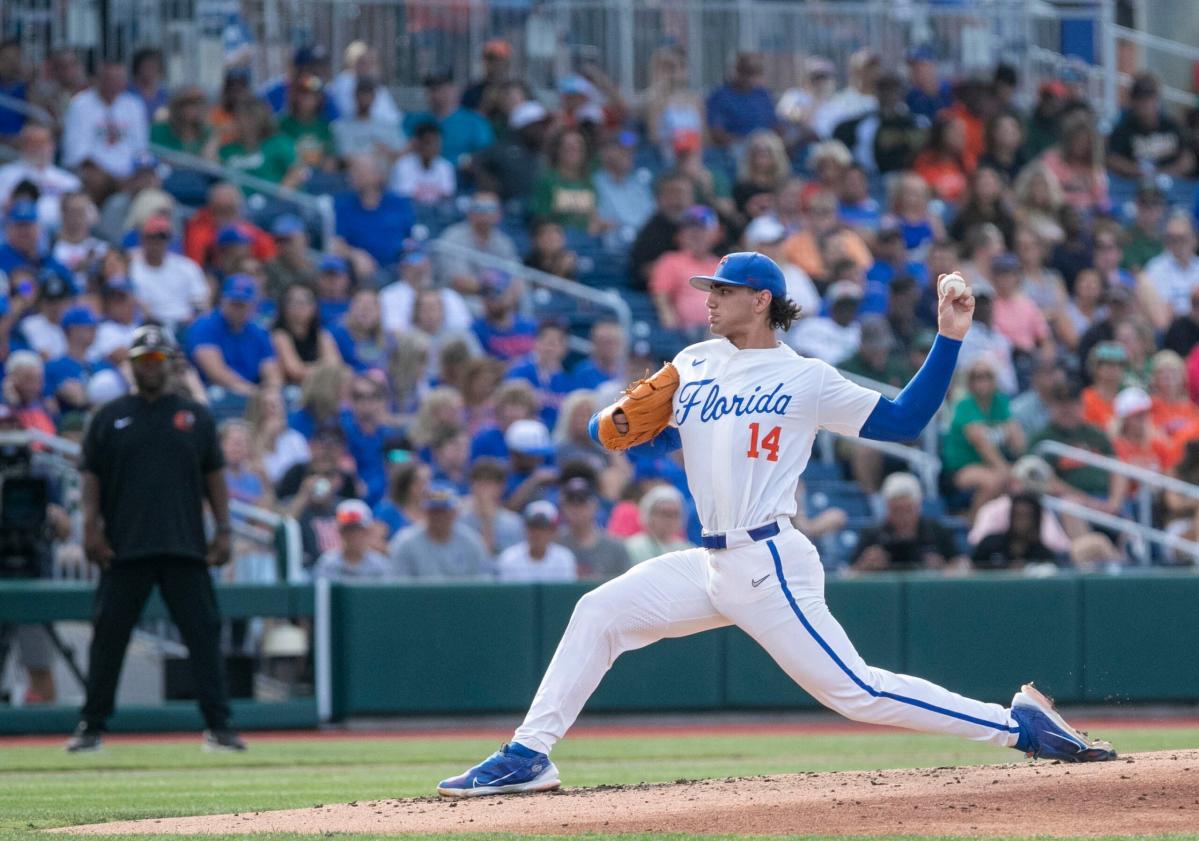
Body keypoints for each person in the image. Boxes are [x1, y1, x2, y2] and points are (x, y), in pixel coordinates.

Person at [438, 250, 1114, 797]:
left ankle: (1016, 725)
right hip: (707, 562)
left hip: (768, 561)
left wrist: (948, 338)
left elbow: (905, 421)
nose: (708, 298)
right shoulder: (693, 361)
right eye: (708, 287)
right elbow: (613, 430)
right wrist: (608, 422)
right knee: (598, 612)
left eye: (723, 290)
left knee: (857, 691)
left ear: (760, 300)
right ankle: (529, 754)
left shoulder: (806, 377)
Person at [67, 325, 245, 753]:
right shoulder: (108, 417)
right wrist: (90, 527)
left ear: (170, 364)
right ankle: (91, 726)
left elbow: (215, 477)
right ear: (131, 365)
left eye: (158, 360)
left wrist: (222, 530)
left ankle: (219, 727)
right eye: (143, 360)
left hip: (184, 545)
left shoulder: (195, 417)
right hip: (124, 546)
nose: (150, 367)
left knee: (203, 634)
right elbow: (90, 477)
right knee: (109, 636)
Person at [850, 472, 964, 572]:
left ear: (918, 507)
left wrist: (943, 567)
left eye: (907, 510)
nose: (902, 516)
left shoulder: (938, 531)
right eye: (896, 510)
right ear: (887, 509)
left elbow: (961, 566)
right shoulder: (872, 535)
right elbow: (848, 574)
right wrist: (865, 566)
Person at [389, 484, 491, 579]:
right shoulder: (405, 542)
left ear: (454, 512)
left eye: (444, 511)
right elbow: (399, 587)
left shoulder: (471, 541)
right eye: (434, 511)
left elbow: (481, 582)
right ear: (425, 511)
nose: (439, 517)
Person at [557, 476, 629, 581]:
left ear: (594, 506)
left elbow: (625, 586)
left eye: (582, 503)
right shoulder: (555, 544)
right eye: (571, 503)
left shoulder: (616, 548)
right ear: (563, 507)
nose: (577, 510)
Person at [972, 493, 1059, 570]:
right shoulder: (990, 544)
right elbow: (972, 570)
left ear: (1035, 520)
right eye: (1017, 515)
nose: (1020, 522)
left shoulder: (1043, 555)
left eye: (1026, 516)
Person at [496, 501, 578, 583]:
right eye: (533, 527)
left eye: (543, 528)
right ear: (526, 529)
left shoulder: (564, 558)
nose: (538, 533)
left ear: (553, 530)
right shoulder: (509, 558)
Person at [314, 500, 392, 581]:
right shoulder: (328, 564)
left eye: (358, 529)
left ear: (367, 532)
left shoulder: (379, 565)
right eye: (348, 530)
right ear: (340, 532)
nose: (353, 535)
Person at [623, 484, 693, 566]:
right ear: (649, 514)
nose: (669, 519)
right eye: (664, 513)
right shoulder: (632, 547)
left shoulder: (687, 549)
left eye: (675, 514)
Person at [390, 122, 456, 204]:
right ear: (418, 143)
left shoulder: (445, 166)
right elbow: (404, 199)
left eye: (437, 144)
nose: (433, 148)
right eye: (429, 143)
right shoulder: (403, 166)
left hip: (438, 212)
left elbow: (447, 197)